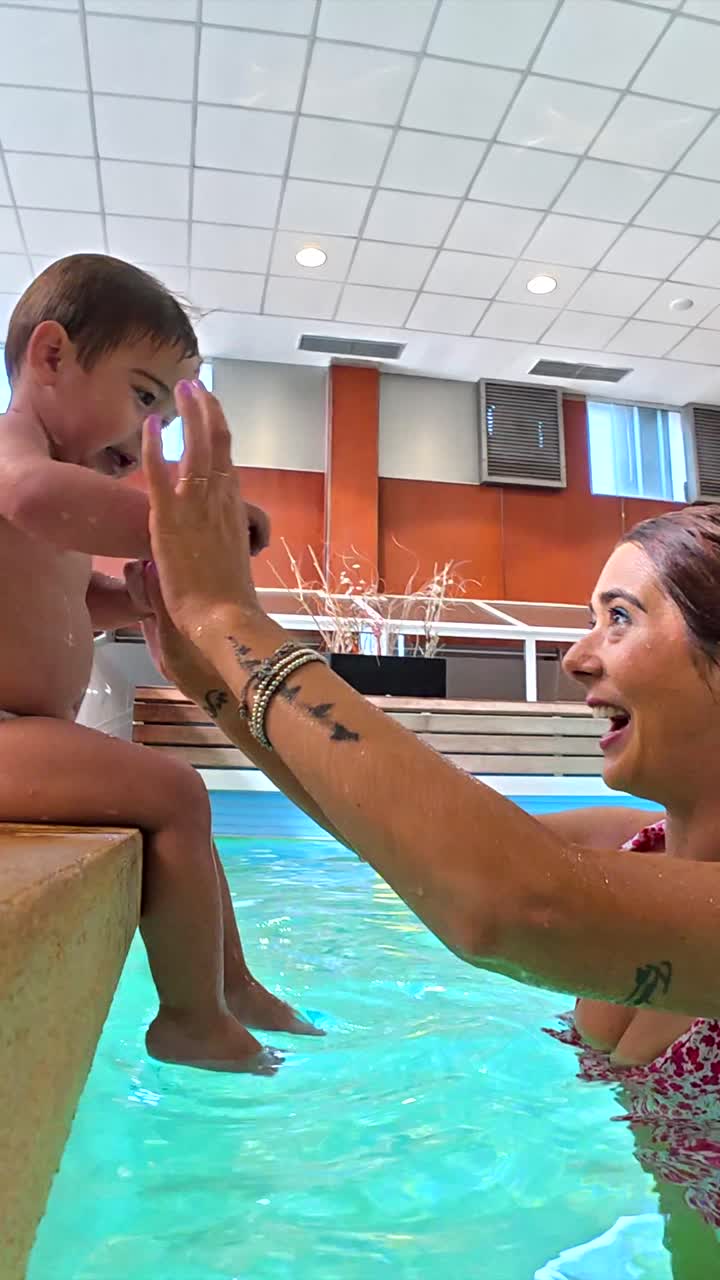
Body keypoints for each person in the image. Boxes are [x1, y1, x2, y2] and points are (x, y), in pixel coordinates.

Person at [141, 380, 720, 1258]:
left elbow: (510, 910)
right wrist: (210, 677)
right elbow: (384, 831)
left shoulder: (585, 878)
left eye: (619, 617)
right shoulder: (627, 847)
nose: (575, 656)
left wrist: (232, 619)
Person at [0, 254, 321, 1075]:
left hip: (27, 733)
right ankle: (189, 1020)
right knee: (175, 790)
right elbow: (33, 501)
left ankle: (233, 984)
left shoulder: (60, 484)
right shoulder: (17, 459)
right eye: (145, 396)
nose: (150, 435)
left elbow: (68, 599)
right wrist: (185, 523)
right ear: (50, 357)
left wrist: (135, 599)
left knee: (182, 808)